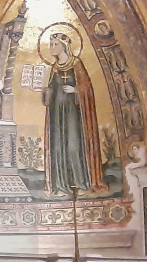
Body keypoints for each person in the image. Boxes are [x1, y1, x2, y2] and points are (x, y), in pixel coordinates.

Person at [42, 31, 106, 197]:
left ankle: (80, 182)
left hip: (73, 114)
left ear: (64, 46)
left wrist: (76, 90)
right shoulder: (54, 68)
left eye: (55, 44)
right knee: (57, 148)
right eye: (51, 44)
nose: (52, 48)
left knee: (73, 146)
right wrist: (45, 92)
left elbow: (87, 88)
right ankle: (61, 186)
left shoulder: (76, 64)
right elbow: (50, 92)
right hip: (57, 114)